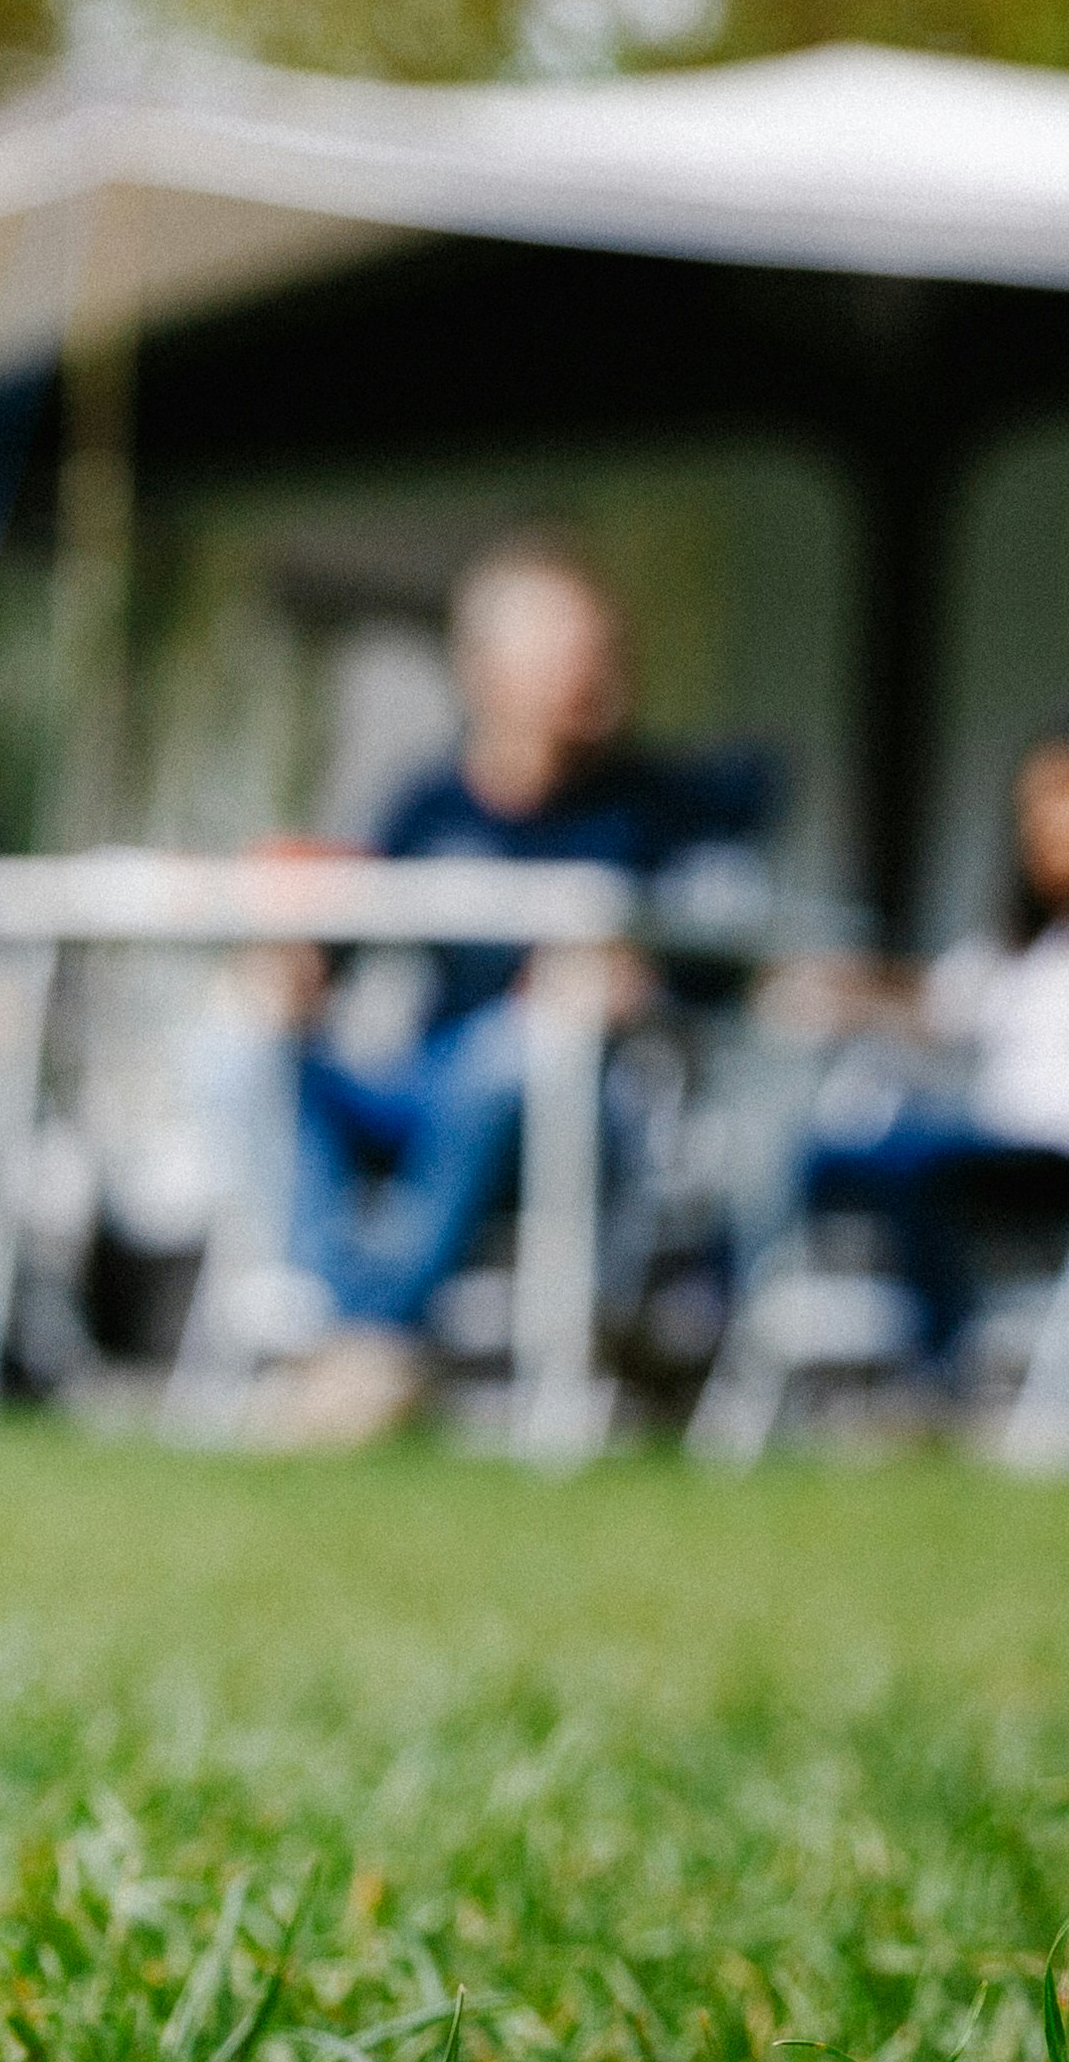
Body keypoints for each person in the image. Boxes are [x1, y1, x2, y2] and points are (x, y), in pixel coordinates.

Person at [258, 536, 765, 1450]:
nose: (601, 676)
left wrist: (638, 979)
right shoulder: (428, 804)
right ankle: (350, 1326)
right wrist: (291, 974)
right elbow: (340, 942)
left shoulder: (655, 805)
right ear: (486, 670)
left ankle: (366, 1342)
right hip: (428, 1086)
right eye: (572, 655)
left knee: (517, 1043)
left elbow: (725, 959)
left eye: (606, 651)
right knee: (241, 1049)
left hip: (575, 1104)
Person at [787, 717, 1069, 1378]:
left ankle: (940, 1360)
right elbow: (934, 998)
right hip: (998, 1153)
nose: (1049, 824)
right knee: (823, 1158)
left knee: (912, 1163)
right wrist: (830, 987)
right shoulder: (1021, 954)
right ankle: (704, 1322)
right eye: (1036, 806)